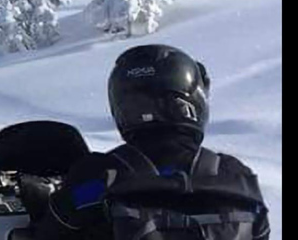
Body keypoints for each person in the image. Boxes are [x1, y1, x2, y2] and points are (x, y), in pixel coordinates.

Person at [27, 44, 270, 240]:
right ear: (193, 102)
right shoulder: (236, 176)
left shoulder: (98, 176)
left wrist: (37, 199)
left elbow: (50, 231)